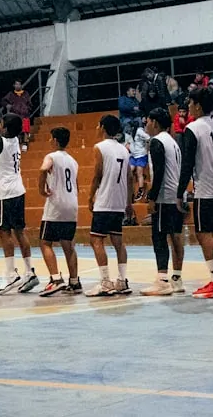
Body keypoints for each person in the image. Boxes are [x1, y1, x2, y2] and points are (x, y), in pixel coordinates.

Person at [0, 84, 38, 294]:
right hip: (18, 190)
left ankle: (10, 274)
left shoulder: (1, 142)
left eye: (1, 123)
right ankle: (29, 270)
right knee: (19, 231)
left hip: (6, 192)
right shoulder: (13, 138)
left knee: (4, 232)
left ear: (4, 128)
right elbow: (0, 116)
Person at [176, 87, 213, 299]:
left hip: (206, 188)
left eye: (190, 103)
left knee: (203, 233)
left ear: (198, 105)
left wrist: (180, 192)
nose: (188, 107)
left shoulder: (193, 129)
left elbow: (188, 163)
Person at [86, 114, 134, 297]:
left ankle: (106, 282)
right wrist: (129, 203)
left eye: (98, 125)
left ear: (103, 127)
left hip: (105, 200)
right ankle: (121, 280)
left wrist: (91, 196)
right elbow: (129, 178)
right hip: (119, 202)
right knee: (118, 242)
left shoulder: (100, 147)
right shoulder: (124, 150)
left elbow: (97, 174)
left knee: (96, 239)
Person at [140, 107, 186, 296]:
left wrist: (151, 197)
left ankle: (162, 280)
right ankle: (177, 278)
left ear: (155, 123)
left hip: (165, 197)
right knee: (176, 237)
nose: (146, 124)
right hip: (176, 195)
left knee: (159, 237)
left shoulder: (157, 142)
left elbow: (158, 173)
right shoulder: (173, 143)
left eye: (148, 121)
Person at [37, 127, 81, 296]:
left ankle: (55, 279)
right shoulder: (73, 160)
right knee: (68, 244)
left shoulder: (51, 157)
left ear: (55, 140)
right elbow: (76, 185)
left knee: (45, 242)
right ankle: (75, 281)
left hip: (56, 205)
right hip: (72, 205)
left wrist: (41, 189)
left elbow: (43, 169)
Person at [0, 80, 32, 144]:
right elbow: (3, 101)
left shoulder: (26, 93)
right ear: (14, 85)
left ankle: (25, 143)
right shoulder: (11, 94)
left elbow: (29, 103)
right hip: (15, 115)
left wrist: (27, 109)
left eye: (19, 84)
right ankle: (18, 143)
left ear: (21, 85)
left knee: (25, 129)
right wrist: (7, 105)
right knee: (16, 129)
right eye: (16, 84)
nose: (18, 86)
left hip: (24, 115)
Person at [126, 125, 151, 202]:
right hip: (133, 156)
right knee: (129, 170)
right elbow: (127, 143)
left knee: (139, 172)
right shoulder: (127, 133)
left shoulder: (139, 131)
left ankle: (140, 190)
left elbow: (148, 138)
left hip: (141, 155)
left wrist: (146, 148)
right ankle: (130, 192)